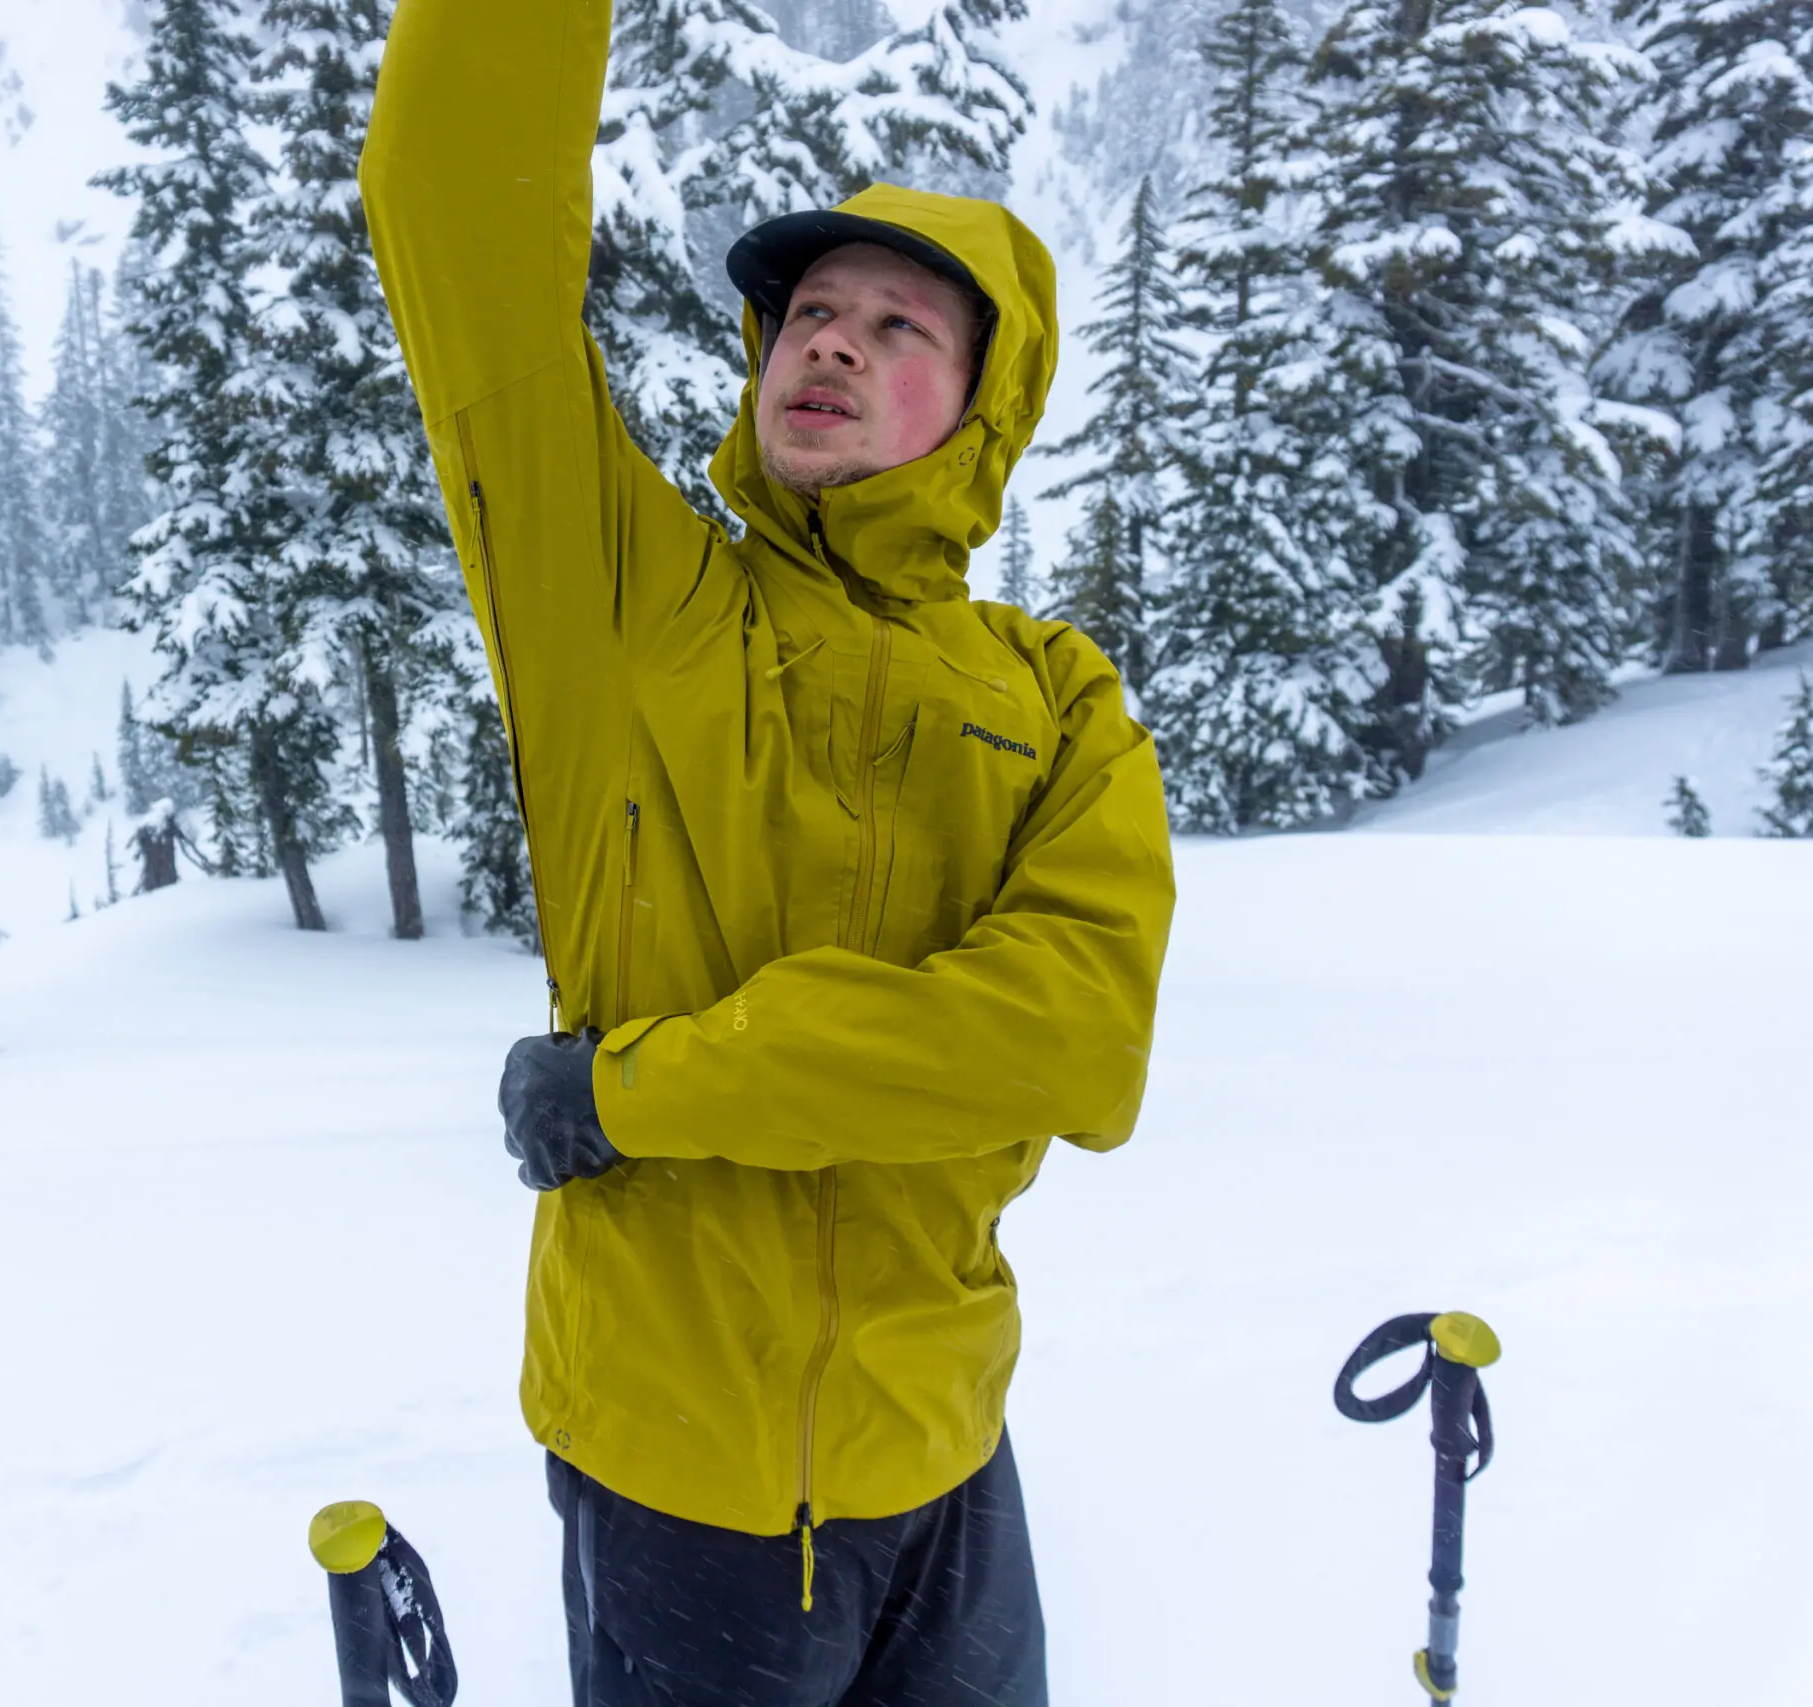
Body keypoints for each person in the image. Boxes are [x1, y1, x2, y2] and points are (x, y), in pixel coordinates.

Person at [363, 2, 1176, 1700]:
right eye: (808, 313)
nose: (832, 344)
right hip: (678, 1478)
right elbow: (452, 210)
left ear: (984, 406)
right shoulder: (626, 603)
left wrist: (640, 1090)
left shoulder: (1058, 699)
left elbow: (1071, 1043)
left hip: (948, 1456)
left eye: (897, 325)